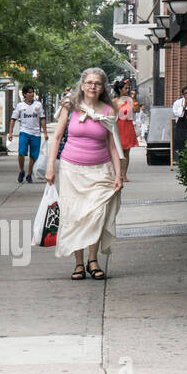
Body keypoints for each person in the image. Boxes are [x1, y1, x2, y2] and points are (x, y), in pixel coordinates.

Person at [43, 68, 124, 281]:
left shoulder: (108, 111)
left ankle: (93, 260)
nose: (92, 87)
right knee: (74, 216)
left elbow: (113, 146)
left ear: (102, 87)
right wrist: (50, 167)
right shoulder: (70, 108)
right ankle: (78, 263)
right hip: (72, 170)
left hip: (101, 170)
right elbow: (57, 137)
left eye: (97, 83)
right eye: (88, 82)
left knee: (97, 215)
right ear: (82, 84)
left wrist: (119, 175)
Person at [7, 85, 46, 184]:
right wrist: (10, 133)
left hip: (36, 134)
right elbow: (13, 119)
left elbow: (42, 118)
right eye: (29, 92)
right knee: (21, 153)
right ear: (24, 94)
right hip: (24, 132)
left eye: (32, 92)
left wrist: (45, 132)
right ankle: (21, 171)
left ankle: (29, 174)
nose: (31, 94)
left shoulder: (38, 105)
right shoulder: (20, 106)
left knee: (34, 156)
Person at [113, 79, 139, 182]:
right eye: (126, 88)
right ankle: (117, 174)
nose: (128, 90)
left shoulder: (130, 100)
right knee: (118, 152)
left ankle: (124, 175)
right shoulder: (114, 101)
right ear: (120, 90)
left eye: (128, 88)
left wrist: (134, 100)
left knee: (126, 152)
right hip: (118, 126)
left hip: (128, 127)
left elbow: (136, 110)